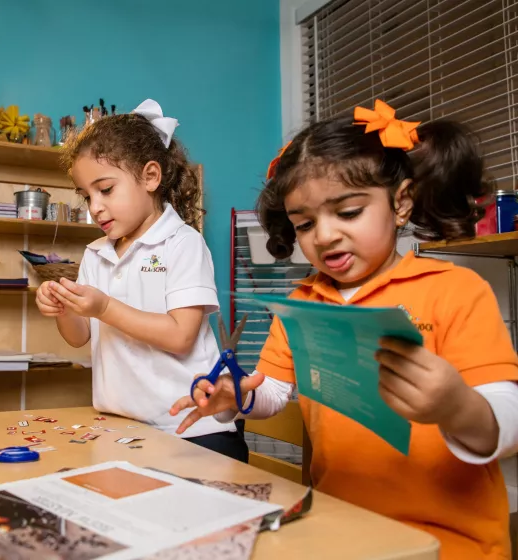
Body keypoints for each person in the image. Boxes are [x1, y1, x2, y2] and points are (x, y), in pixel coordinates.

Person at [170, 100, 518, 558]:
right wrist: (237, 399)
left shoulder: (454, 290)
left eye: (348, 213)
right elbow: (273, 389)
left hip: (449, 544)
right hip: (344, 533)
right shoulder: (303, 302)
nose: (325, 235)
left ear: (401, 203)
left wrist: (456, 406)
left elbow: (508, 421)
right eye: (306, 224)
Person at [34, 99, 249, 461]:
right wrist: (62, 308)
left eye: (105, 190)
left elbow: (181, 337)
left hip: (193, 430)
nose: (95, 207)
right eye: (86, 196)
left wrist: (104, 306)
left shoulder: (183, 243)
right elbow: (79, 337)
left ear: (151, 177)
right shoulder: (96, 253)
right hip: (124, 429)